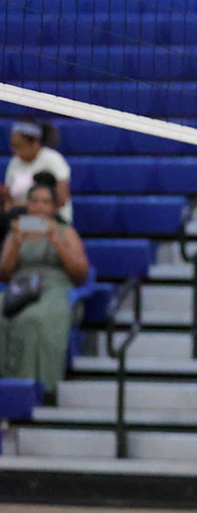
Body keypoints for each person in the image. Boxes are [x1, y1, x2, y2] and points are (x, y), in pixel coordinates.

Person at [0, 174, 87, 397]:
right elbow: (4, 273)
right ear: (27, 205)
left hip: (54, 287)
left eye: (45, 202)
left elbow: (81, 273)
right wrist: (16, 245)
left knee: (33, 320)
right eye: (34, 201)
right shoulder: (16, 231)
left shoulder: (65, 232)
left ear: (55, 207)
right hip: (21, 286)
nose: (39, 206)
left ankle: (37, 390)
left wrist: (57, 242)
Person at [6, 122, 71, 222]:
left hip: (51, 221)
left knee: (19, 229)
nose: (15, 151)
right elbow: (9, 196)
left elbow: (61, 199)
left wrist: (32, 207)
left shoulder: (53, 159)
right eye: (13, 147)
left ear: (35, 143)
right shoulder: (14, 162)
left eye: (19, 146)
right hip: (21, 219)